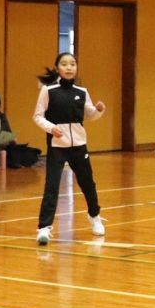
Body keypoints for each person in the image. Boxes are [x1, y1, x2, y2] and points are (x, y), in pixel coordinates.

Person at [33, 52, 106, 245]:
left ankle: (94, 216)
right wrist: (51, 128)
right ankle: (44, 228)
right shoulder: (49, 91)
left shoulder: (82, 91)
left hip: (79, 146)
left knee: (88, 183)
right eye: (64, 64)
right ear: (58, 68)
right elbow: (38, 116)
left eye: (72, 64)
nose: (69, 67)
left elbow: (89, 114)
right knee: (52, 186)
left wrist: (98, 111)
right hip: (57, 146)